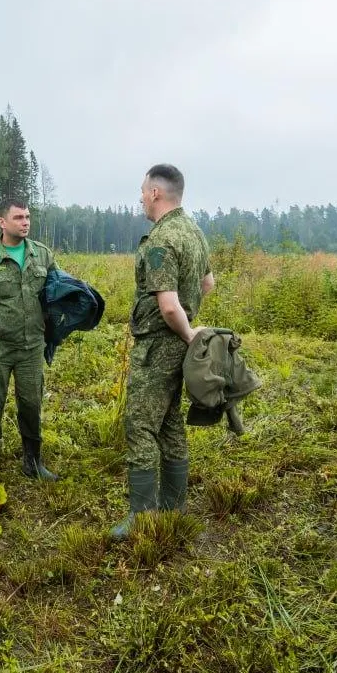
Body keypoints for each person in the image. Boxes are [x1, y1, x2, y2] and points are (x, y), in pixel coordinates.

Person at [112, 164, 215, 539]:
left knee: (140, 425)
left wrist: (186, 332)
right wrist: (190, 325)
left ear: (156, 193)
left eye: (143, 191)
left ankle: (141, 517)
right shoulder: (195, 232)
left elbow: (168, 305)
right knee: (169, 420)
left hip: (160, 345)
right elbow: (208, 283)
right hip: (178, 345)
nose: (141, 197)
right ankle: (175, 506)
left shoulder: (160, 240)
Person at [0, 198, 60, 481]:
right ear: (2, 222)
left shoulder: (42, 256)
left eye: (28, 217)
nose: (26, 222)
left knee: (31, 404)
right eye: (18, 217)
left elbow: (55, 297)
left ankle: (33, 462)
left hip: (31, 348)